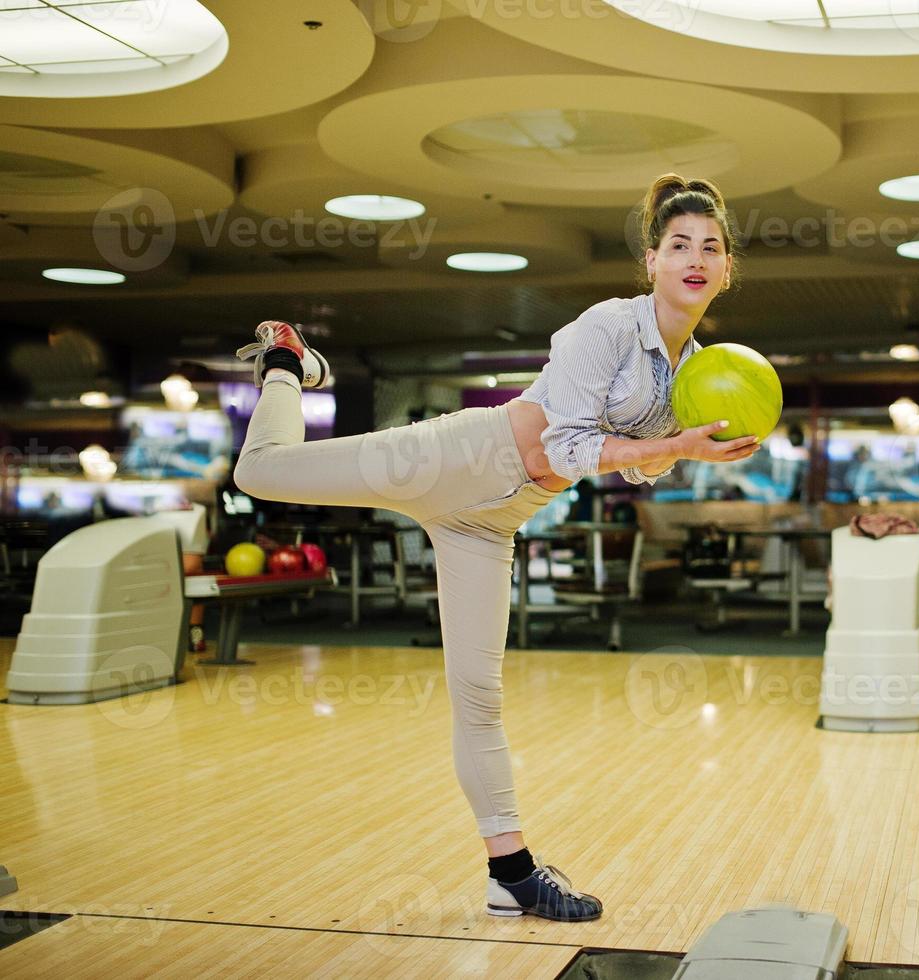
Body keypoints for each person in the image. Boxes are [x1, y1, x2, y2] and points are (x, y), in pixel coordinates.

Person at [230, 174, 758, 922]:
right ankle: (287, 361)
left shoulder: (693, 369)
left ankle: (510, 874)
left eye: (711, 247)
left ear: (728, 268)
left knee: (478, 699)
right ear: (651, 262)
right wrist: (674, 444)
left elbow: (640, 461)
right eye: (679, 246)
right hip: (453, 460)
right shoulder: (607, 326)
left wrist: (686, 450)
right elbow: (565, 444)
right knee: (259, 473)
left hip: (491, 520)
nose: (695, 259)